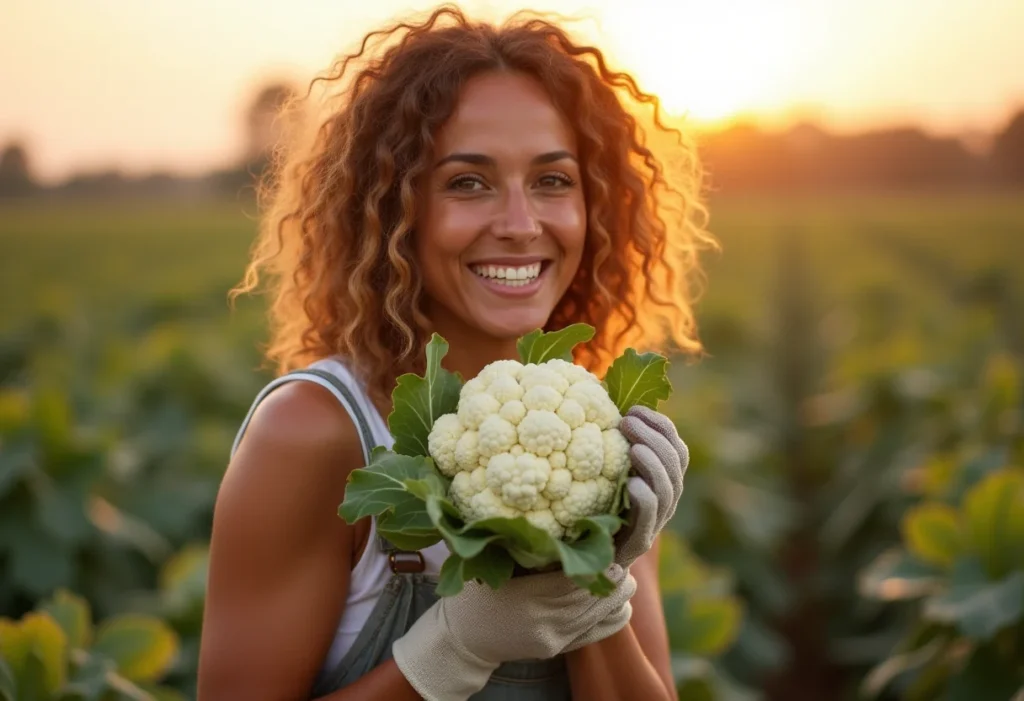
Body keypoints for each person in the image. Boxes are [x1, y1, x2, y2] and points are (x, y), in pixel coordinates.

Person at [197, 5, 715, 700]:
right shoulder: (314, 435)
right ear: (392, 210)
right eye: (468, 182)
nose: (519, 223)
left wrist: (596, 579)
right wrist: (454, 645)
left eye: (552, 180)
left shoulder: (592, 441)